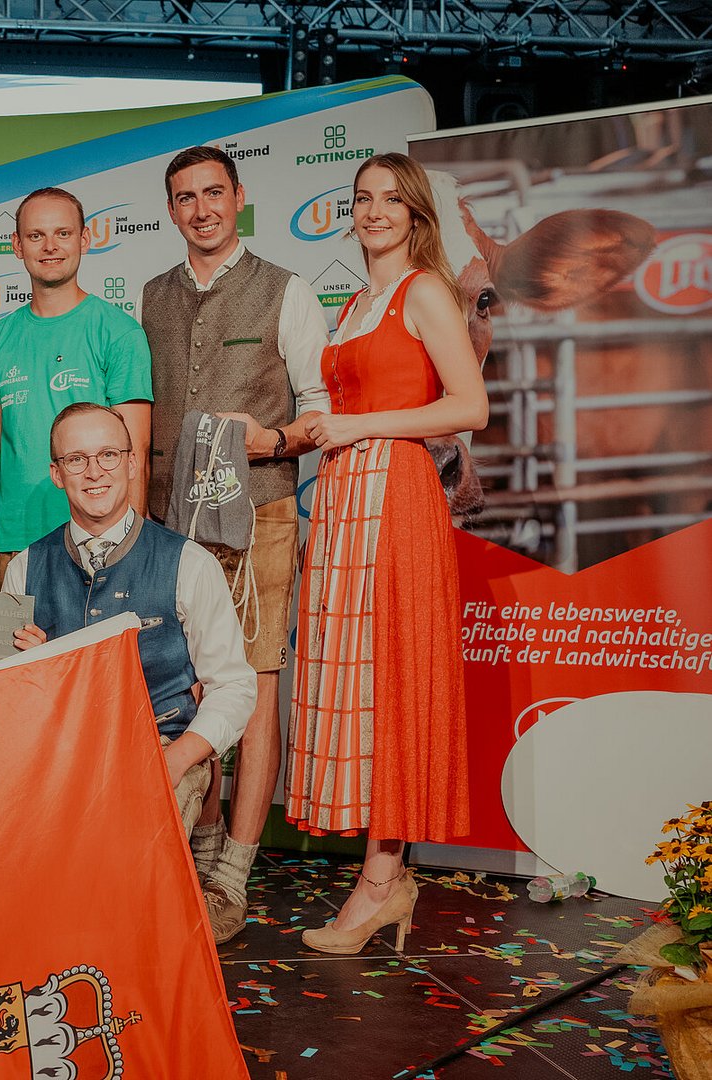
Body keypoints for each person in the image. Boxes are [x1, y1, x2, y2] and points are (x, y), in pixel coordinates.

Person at [289, 153, 487, 954]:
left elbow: (469, 405)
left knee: (393, 675)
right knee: (357, 682)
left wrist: (361, 426)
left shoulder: (424, 290)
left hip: (396, 494)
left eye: (391, 199)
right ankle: (383, 877)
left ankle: (380, 882)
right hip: (345, 496)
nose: (374, 211)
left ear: (415, 213)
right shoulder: (355, 302)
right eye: (363, 198)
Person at [139, 145, 329, 944]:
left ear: (239, 197)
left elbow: (322, 413)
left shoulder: (287, 290)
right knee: (185, 690)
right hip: (168, 524)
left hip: (260, 517)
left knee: (253, 690)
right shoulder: (151, 296)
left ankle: (233, 875)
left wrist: (274, 440)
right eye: (185, 197)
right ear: (171, 210)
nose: (201, 209)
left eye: (213, 193)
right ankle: (201, 850)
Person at [2, 403, 256, 846]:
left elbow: (233, 686)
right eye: (76, 459)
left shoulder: (189, 562)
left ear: (132, 463)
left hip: (161, 747)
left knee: (130, 847)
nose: (94, 472)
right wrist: (35, 671)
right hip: (61, 754)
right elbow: (8, 705)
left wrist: (177, 760)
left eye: (108, 455)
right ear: (57, 474)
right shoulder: (24, 568)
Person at [0, 187, 153, 589]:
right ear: (17, 245)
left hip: (98, 544)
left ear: (84, 239)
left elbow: (135, 453)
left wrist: (132, 551)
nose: (50, 246)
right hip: (15, 545)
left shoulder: (119, 332)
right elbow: (2, 450)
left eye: (63, 233)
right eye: (36, 235)